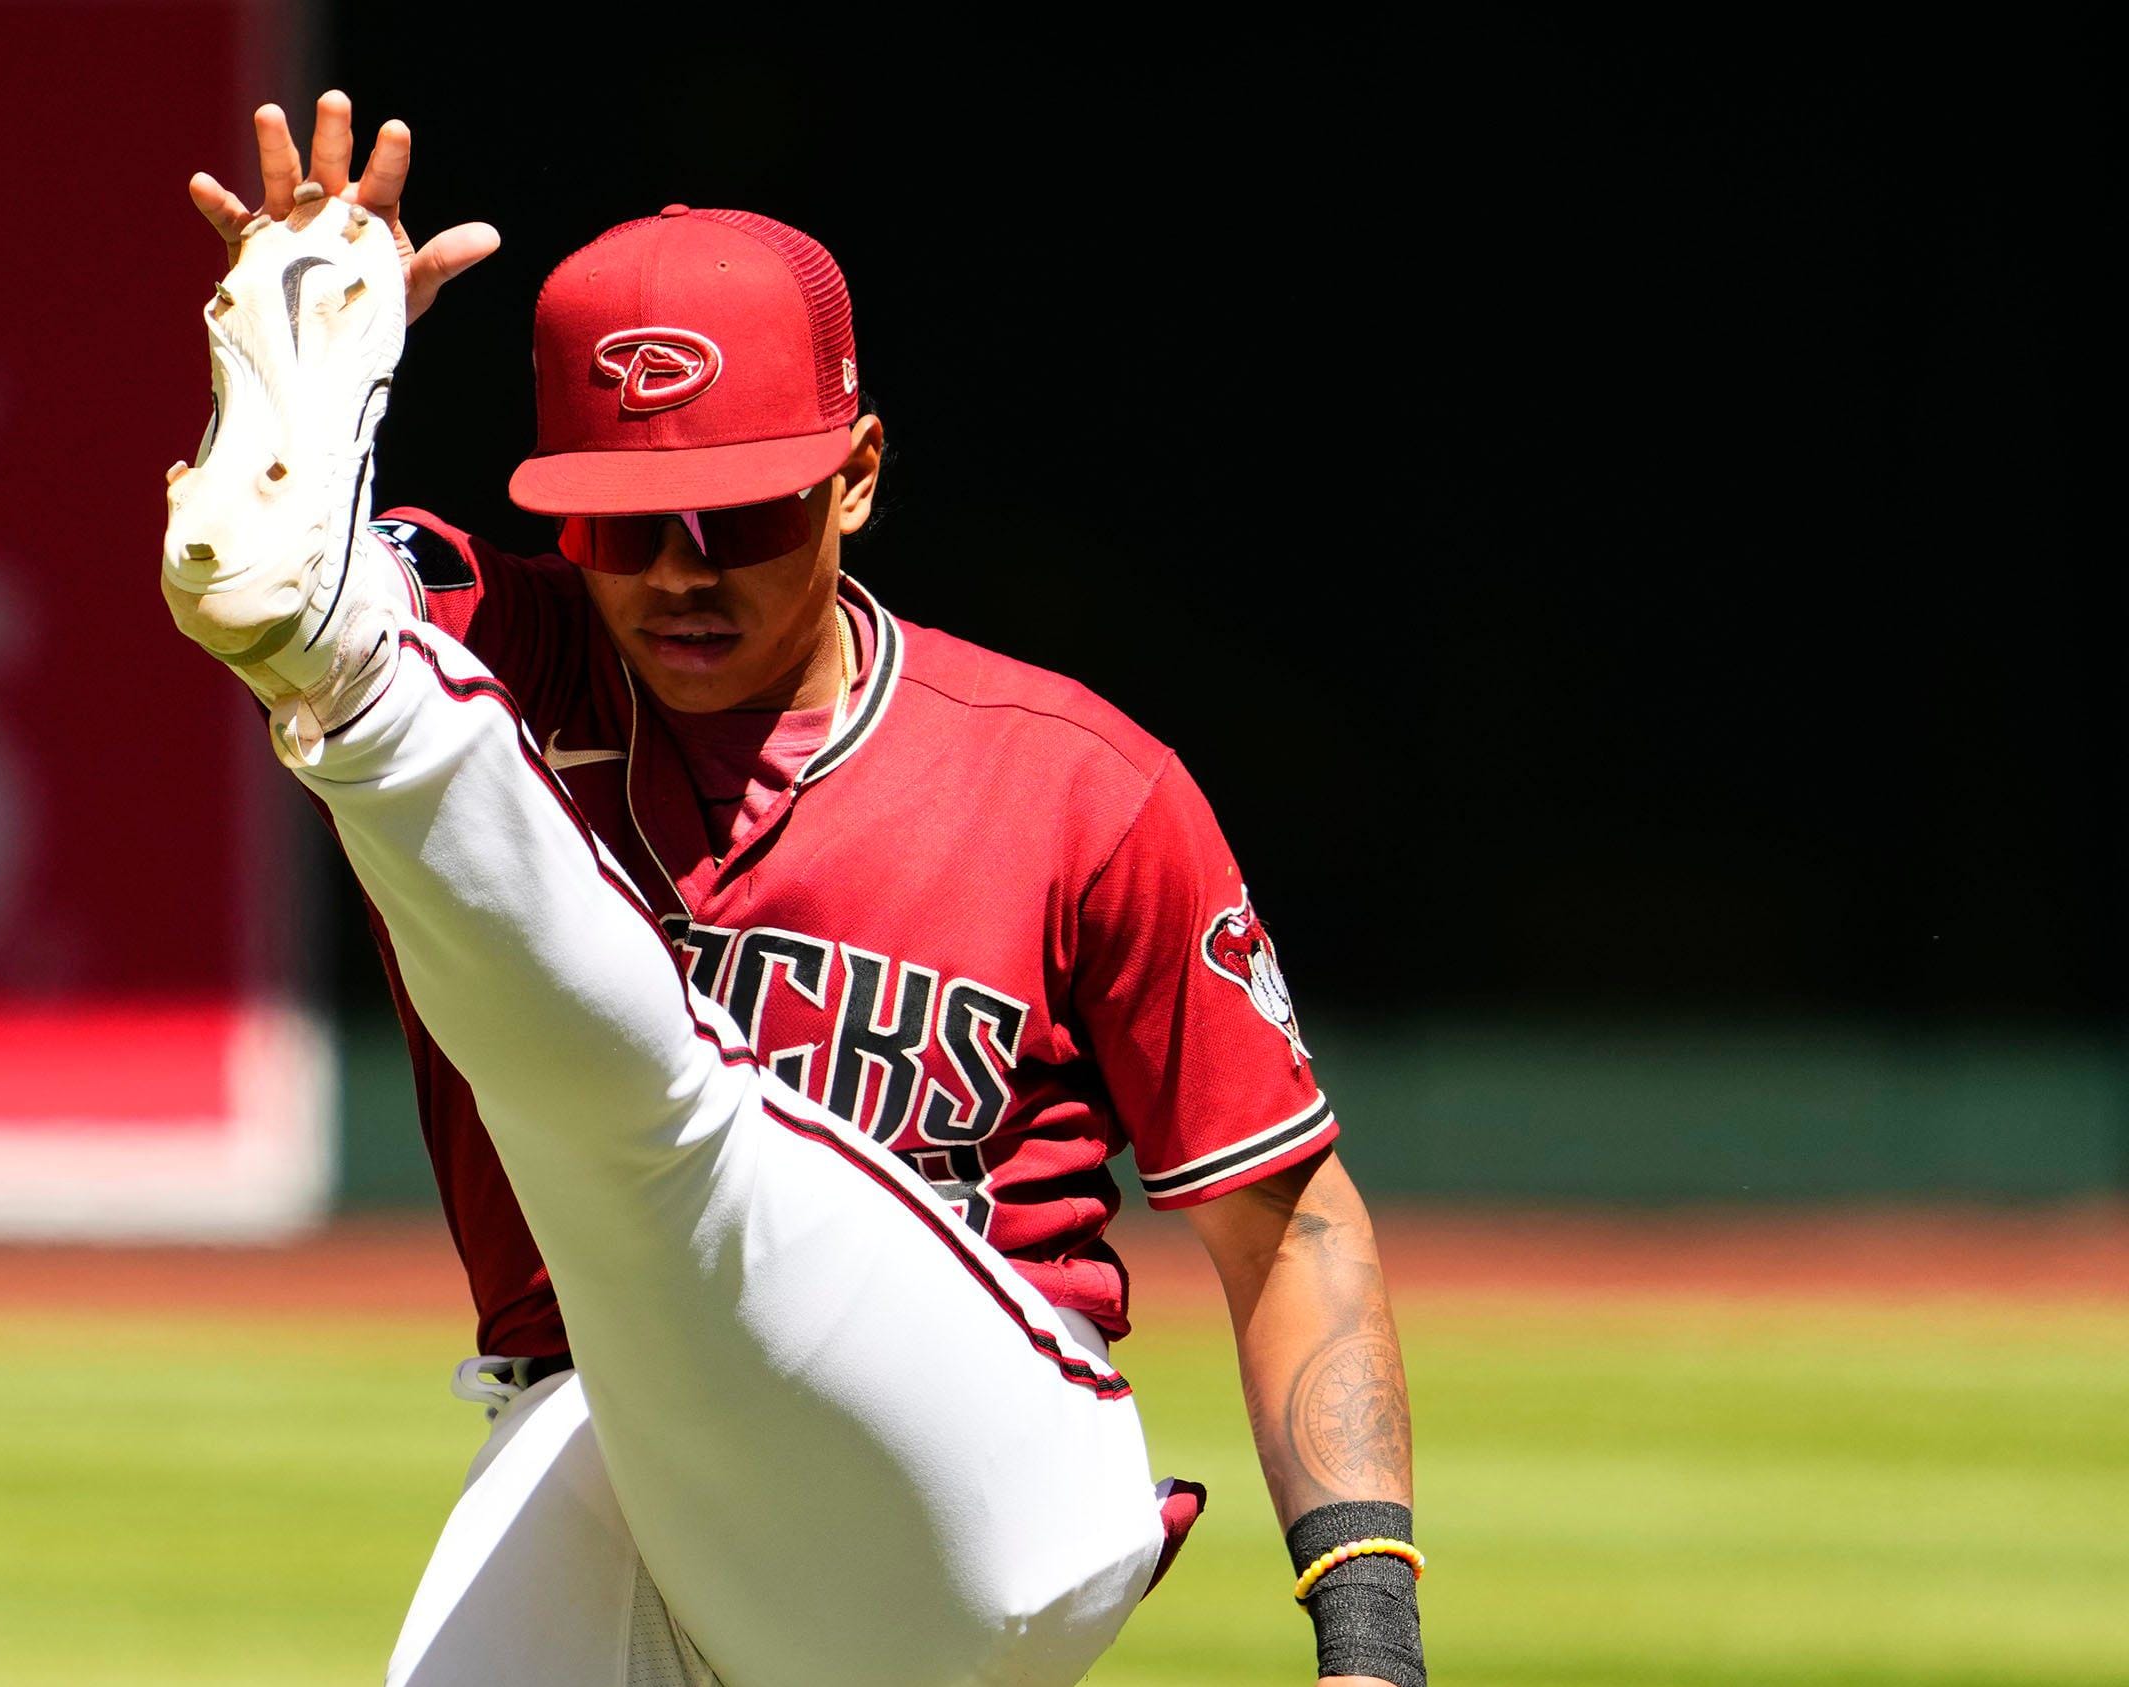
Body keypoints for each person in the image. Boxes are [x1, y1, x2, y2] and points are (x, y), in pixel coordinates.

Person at [167, 91, 1426, 1687]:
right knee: (351, 662)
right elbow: (272, 561)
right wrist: (304, 376)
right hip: (614, 1444)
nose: (686, 567)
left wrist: (1371, 1642)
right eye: (625, 526)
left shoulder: (1077, 784)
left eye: (744, 509)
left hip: (985, 1480)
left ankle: (356, 694)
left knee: (665, 1113)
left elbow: (1290, 1228)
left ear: (859, 477)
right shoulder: (508, 645)